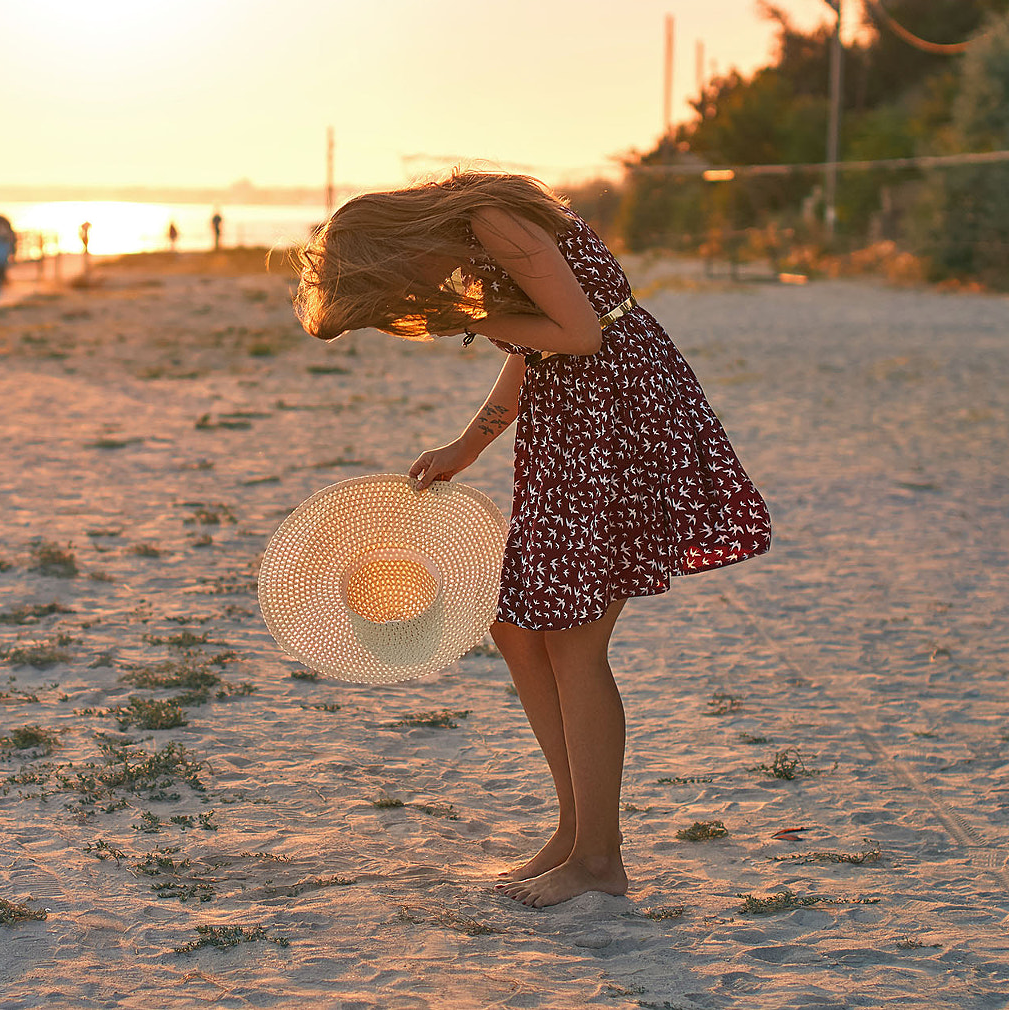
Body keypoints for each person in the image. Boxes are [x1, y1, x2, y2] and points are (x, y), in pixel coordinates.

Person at [293, 171, 772, 909]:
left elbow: (579, 333)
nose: (420, 293)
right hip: (571, 425)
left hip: (611, 426)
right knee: (518, 627)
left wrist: (475, 322)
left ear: (400, 244)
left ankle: (600, 862)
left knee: (574, 639)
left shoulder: (494, 222)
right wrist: (468, 442)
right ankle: (576, 832)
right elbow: (539, 345)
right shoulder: (481, 235)